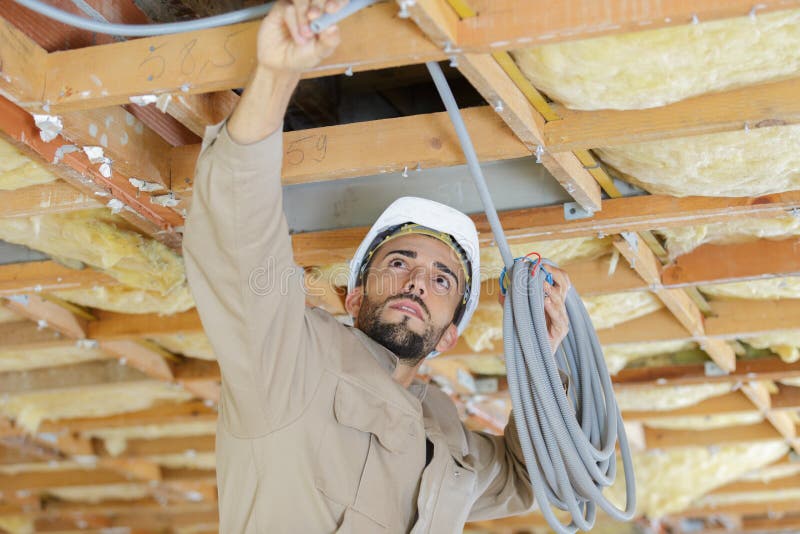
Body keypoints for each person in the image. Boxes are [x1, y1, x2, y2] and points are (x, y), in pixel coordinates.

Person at [183, 1, 572, 531]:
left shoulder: (447, 439)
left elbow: (530, 481)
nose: (416, 280)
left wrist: (540, 362)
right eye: (398, 261)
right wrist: (276, 76)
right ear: (353, 297)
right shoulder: (292, 362)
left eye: (442, 279)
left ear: (449, 335)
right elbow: (236, 242)